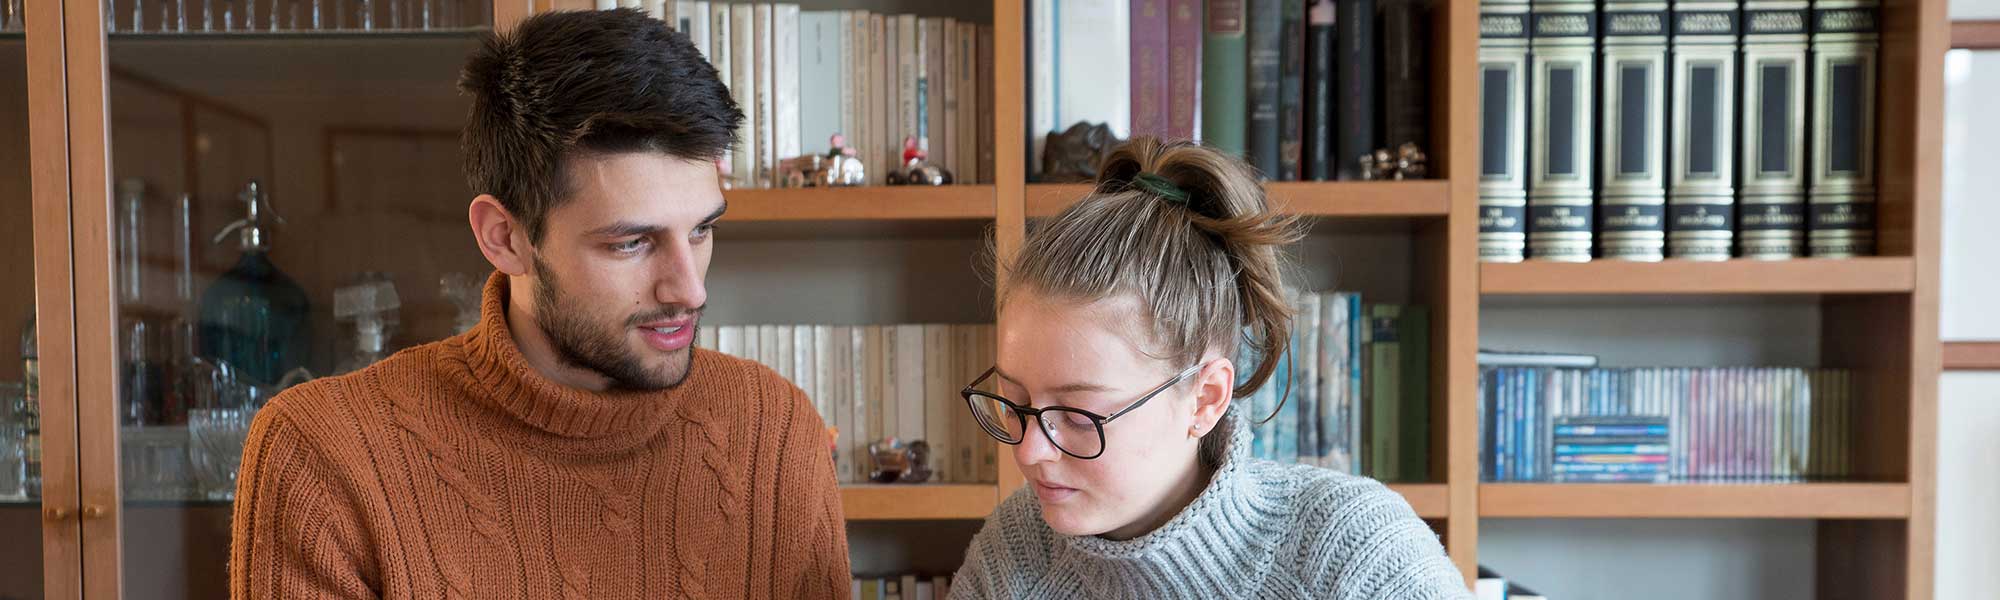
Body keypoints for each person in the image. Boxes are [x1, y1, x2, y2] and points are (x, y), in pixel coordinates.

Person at [227, 9, 849, 599]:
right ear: (505, 238)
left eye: (702, 230)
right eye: (631, 243)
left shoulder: (775, 431)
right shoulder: (322, 455)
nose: (689, 290)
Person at [950, 137, 1468, 599]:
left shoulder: (1356, 555)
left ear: (1204, 399)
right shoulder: (1015, 555)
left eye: (1079, 413)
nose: (1029, 450)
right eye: (1015, 403)